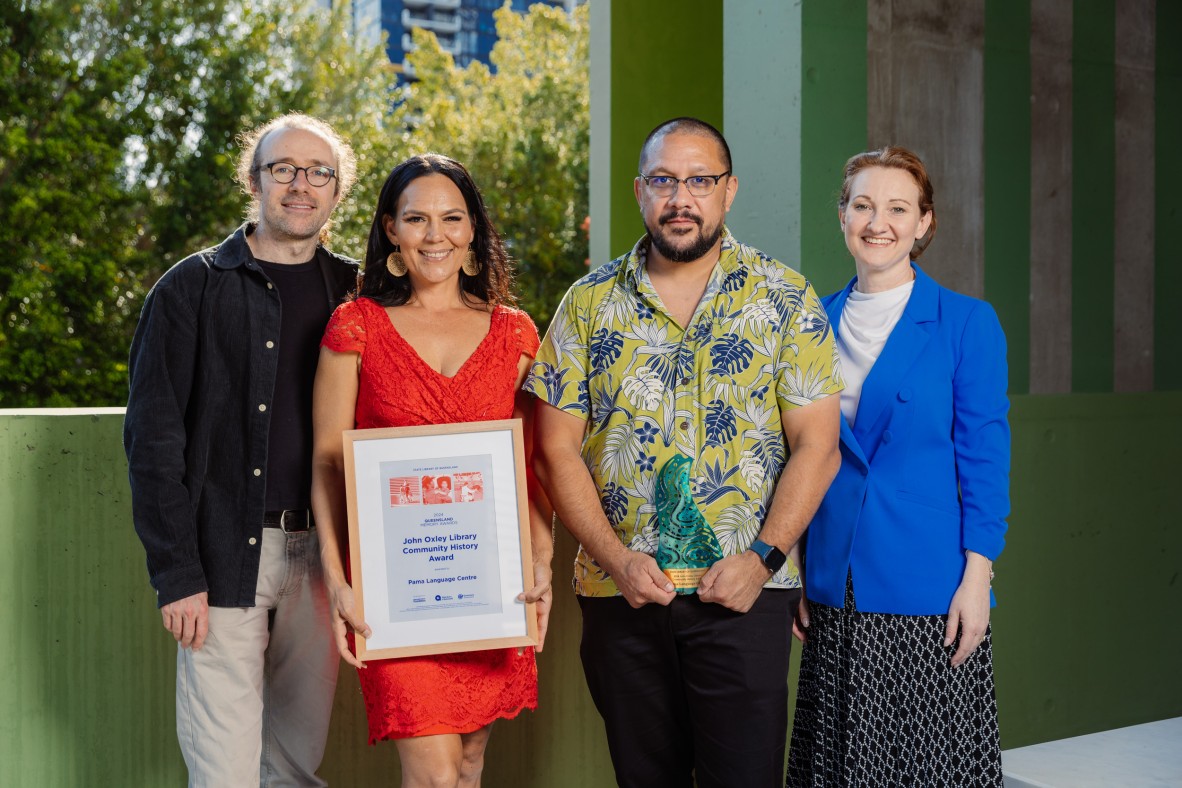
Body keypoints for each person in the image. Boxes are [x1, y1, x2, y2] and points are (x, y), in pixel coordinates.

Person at [525, 117, 844, 788]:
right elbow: (555, 449)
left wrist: (761, 561)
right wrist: (617, 558)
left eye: (700, 180)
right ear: (641, 191)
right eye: (665, 180)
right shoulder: (587, 305)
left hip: (746, 595)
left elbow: (818, 446)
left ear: (729, 191)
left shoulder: (785, 298)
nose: (681, 197)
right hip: (621, 595)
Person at [123, 113, 358, 786]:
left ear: (337, 191)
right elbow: (152, 439)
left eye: (319, 172)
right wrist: (177, 574)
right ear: (253, 180)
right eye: (283, 169)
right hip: (223, 557)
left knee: (293, 762)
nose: (301, 185)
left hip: (325, 560)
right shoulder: (190, 287)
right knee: (224, 769)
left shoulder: (358, 294)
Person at [311, 154, 554, 788]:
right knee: (434, 777)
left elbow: (531, 467)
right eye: (416, 218)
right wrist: (339, 583)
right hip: (397, 599)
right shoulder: (355, 326)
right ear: (391, 229)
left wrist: (542, 563)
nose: (434, 234)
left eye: (451, 217)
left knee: (470, 765)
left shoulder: (517, 335)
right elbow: (328, 464)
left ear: (473, 230)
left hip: (491, 594)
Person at [786, 146, 1009, 787]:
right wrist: (799, 562)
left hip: (929, 585)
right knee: (836, 767)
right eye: (862, 205)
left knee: (923, 766)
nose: (877, 221)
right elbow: (799, 453)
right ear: (843, 216)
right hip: (833, 580)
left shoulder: (967, 323)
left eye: (897, 208)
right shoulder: (810, 322)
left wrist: (977, 579)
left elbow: (985, 460)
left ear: (924, 223)